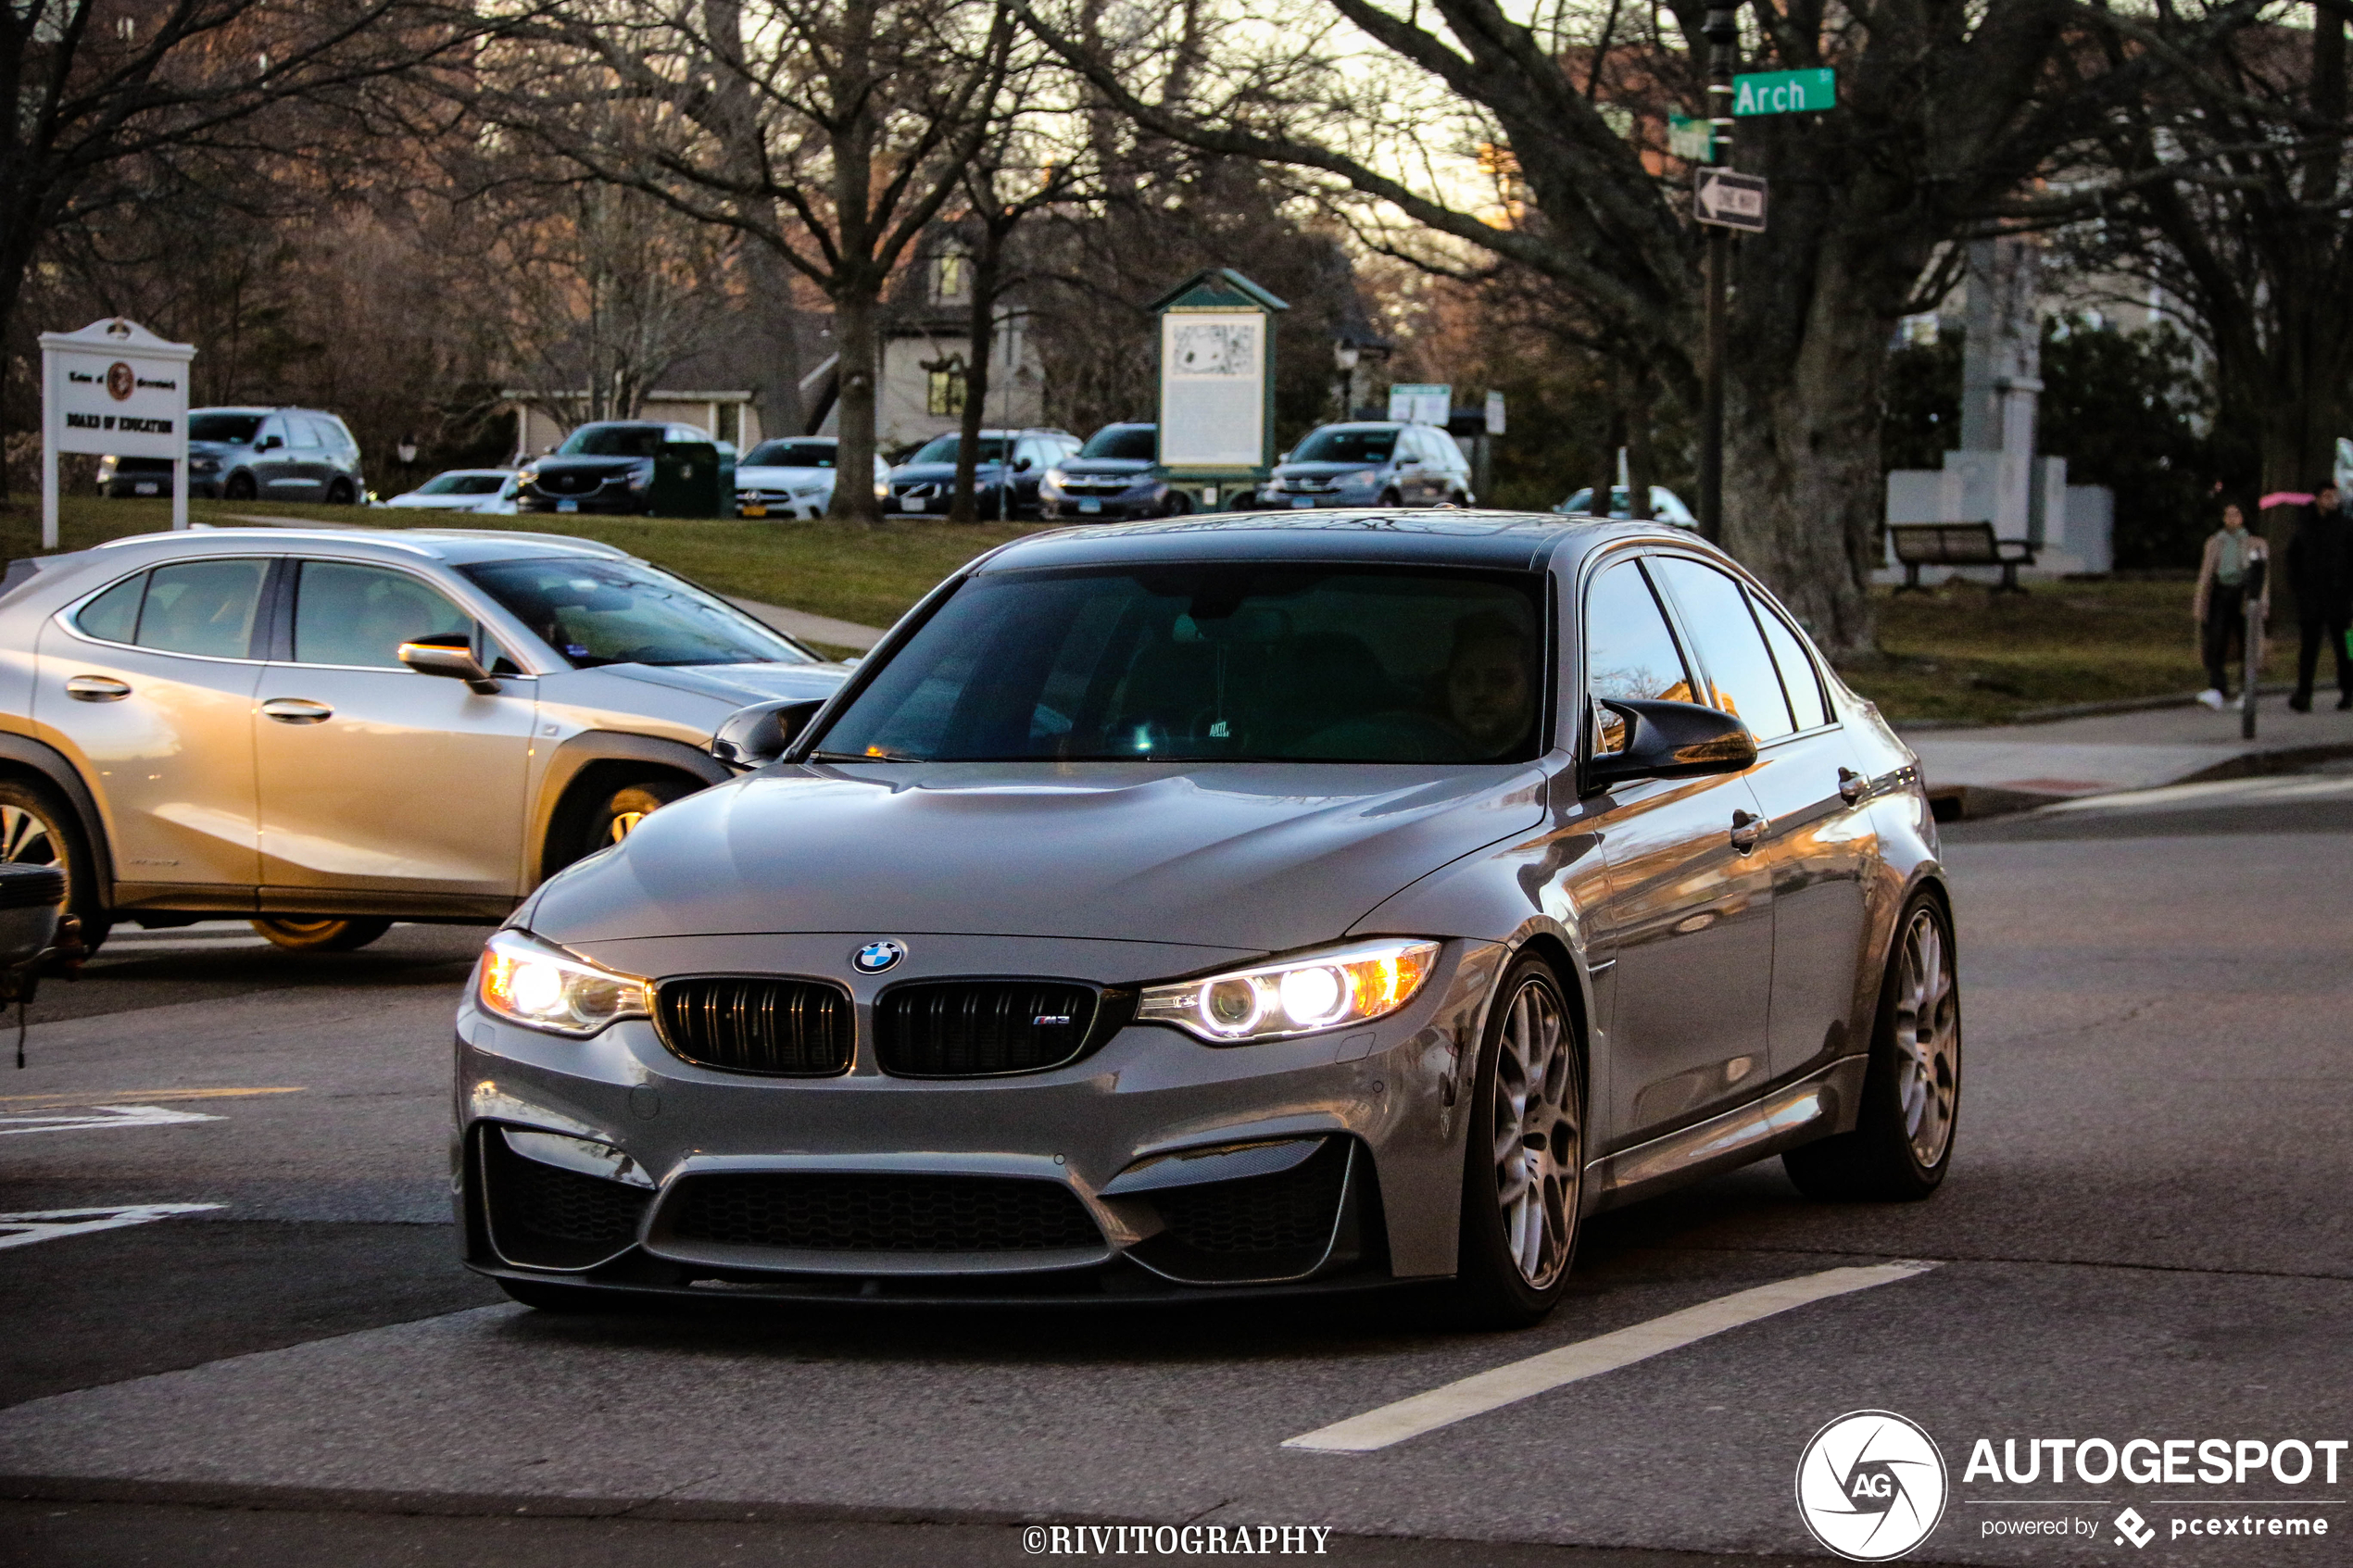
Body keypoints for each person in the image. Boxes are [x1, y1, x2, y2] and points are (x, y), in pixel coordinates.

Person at [2285, 483, 2353, 711]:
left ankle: (2349, 690)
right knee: (2309, 648)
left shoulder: (2345, 526)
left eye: (2334, 496)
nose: (2332, 500)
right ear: (2317, 499)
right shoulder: (2306, 527)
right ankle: (2304, 693)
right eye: (2326, 496)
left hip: (2340, 596)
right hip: (2312, 597)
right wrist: (2299, 587)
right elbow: (2293, 558)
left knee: (2346, 646)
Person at [2192, 502, 2267, 709]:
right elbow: (2206, 573)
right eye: (2228, 515)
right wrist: (2200, 603)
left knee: (2247, 642)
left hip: (2243, 594)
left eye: (2236, 514)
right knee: (2216, 639)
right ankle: (2217, 686)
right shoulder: (2215, 542)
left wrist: (2261, 601)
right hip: (2220, 593)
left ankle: (2247, 687)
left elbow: (2262, 575)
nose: (2232, 518)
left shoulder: (2255, 542)